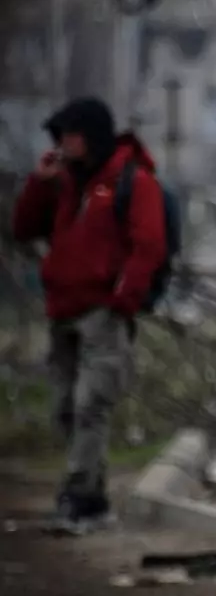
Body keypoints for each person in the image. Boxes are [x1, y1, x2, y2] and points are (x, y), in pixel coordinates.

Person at [10, 97, 168, 532]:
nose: (63, 144)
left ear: (92, 137)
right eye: (59, 137)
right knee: (64, 407)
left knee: (90, 405)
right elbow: (24, 228)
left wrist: (123, 300)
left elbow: (149, 245)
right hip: (64, 311)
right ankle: (92, 496)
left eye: (71, 136)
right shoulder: (65, 184)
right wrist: (40, 183)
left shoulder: (133, 182)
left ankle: (80, 496)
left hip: (103, 313)